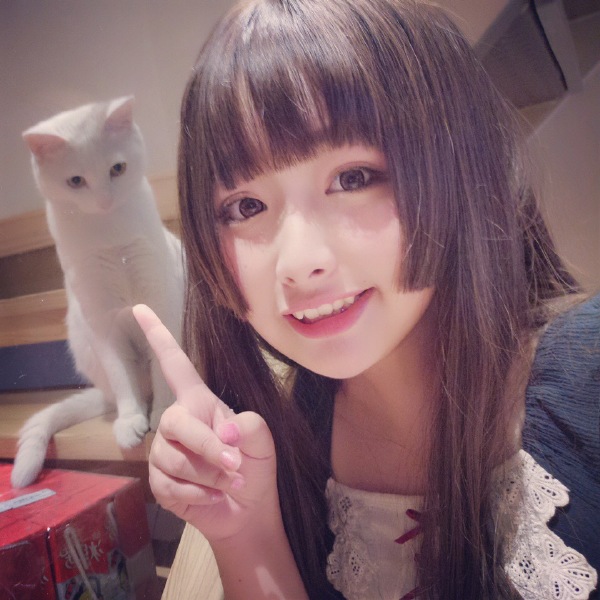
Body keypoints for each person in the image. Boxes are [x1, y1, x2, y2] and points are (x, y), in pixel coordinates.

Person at [133, 0, 599, 598]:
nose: (298, 263)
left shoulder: (587, 377)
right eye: (246, 206)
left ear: (459, 162)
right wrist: (245, 534)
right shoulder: (282, 439)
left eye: (352, 178)